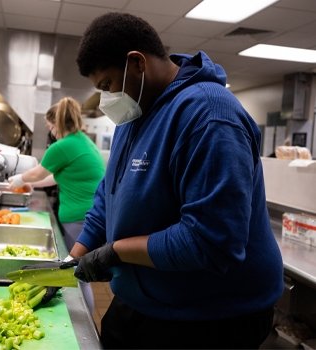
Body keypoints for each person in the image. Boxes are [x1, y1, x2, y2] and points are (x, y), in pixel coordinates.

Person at [68, 12, 284, 349]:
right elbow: (107, 194)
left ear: (137, 63)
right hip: (145, 300)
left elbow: (211, 242)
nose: (107, 98)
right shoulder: (134, 115)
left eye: (107, 84)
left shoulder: (210, 116)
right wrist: (74, 257)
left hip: (208, 317)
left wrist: (115, 252)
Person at [8, 97, 105, 310]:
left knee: (76, 273)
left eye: (50, 126)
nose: (51, 131)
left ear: (57, 123)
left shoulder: (63, 145)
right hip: (90, 215)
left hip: (80, 219)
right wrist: (33, 185)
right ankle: (86, 316)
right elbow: (56, 176)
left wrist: (20, 179)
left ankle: (85, 324)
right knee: (80, 272)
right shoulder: (81, 141)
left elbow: (38, 172)